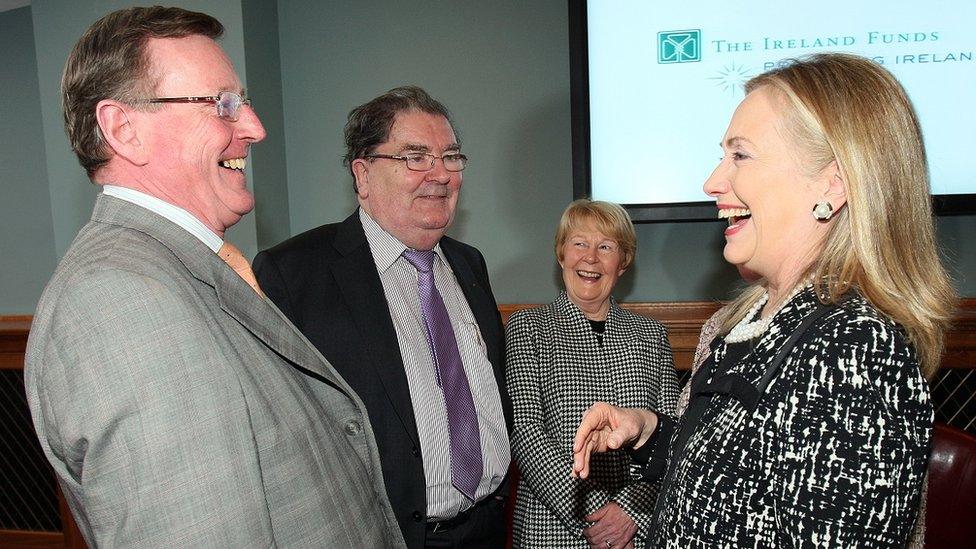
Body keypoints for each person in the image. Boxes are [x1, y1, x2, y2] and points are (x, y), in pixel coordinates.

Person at [24, 7, 404, 547]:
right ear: (123, 128)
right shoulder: (119, 303)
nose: (254, 127)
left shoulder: (179, 270)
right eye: (223, 104)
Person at [572, 53, 956, 547]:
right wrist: (646, 430)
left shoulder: (856, 349)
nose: (712, 182)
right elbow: (734, 479)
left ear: (832, 184)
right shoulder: (756, 318)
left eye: (741, 155)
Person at [253, 86, 511, 549]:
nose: (440, 174)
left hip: (488, 527)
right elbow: (277, 436)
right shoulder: (295, 273)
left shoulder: (469, 264)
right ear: (363, 174)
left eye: (451, 157)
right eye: (415, 157)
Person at [506, 199, 679, 548]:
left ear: (623, 262)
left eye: (606, 246)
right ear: (561, 254)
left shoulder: (651, 335)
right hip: (552, 530)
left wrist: (630, 511)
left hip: (637, 529)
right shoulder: (529, 328)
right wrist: (598, 518)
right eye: (579, 243)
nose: (591, 258)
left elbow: (671, 436)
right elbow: (525, 433)